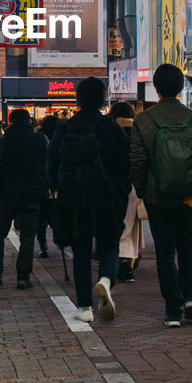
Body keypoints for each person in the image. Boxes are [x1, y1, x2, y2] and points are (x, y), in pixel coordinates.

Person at [130, 64, 192, 327]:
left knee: (164, 252)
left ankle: (172, 309)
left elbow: (137, 161)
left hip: (158, 197)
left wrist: (143, 191)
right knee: (187, 245)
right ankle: (191, 298)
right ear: (181, 88)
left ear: (155, 88)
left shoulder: (143, 120)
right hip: (188, 196)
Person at [49, 77, 130, 322]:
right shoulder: (111, 127)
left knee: (80, 248)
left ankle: (84, 307)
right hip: (105, 197)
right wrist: (121, 191)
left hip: (74, 198)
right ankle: (105, 279)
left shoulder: (65, 128)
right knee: (109, 243)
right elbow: (125, 164)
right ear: (102, 99)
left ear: (78, 98)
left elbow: (51, 162)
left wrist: (57, 187)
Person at [0, 109, 49, 288]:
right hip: (32, 194)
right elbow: (47, 166)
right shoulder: (40, 139)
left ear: (11, 122)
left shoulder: (6, 140)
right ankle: (23, 276)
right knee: (28, 236)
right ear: (29, 121)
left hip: (8, 194)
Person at [110, 102, 146, 283]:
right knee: (133, 226)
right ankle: (129, 264)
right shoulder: (139, 130)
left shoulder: (110, 130)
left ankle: (122, 262)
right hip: (135, 184)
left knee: (120, 225)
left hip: (113, 183)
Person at [35, 114, 62, 258]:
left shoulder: (38, 138)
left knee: (40, 218)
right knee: (55, 213)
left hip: (40, 182)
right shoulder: (60, 138)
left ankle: (43, 245)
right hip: (56, 182)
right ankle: (60, 240)